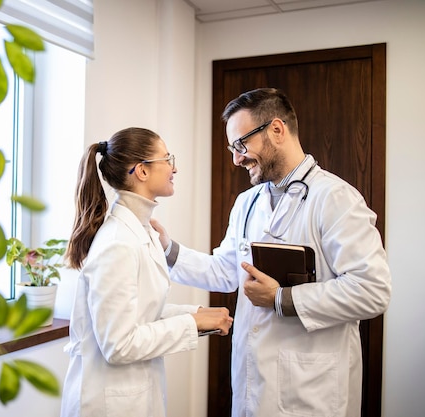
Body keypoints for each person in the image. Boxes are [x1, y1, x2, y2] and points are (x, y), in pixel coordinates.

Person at [153, 88, 392, 417]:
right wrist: (167, 248)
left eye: (241, 144)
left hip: (312, 391)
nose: (237, 158)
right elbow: (226, 271)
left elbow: (372, 291)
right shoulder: (247, 203)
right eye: (232, 148)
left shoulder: (334, 198)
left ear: (276, 130)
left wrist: (282, 298)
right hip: (254, 383)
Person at [60, 127, 234, 417]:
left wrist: (195, 315)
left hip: (133, 396)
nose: (174, 167)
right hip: (107, 403)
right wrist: (191, 323)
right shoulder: (117, 243)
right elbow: (118, 345)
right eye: (167, 158)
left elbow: (140, 314)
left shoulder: (143, 231)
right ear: (141, 171)